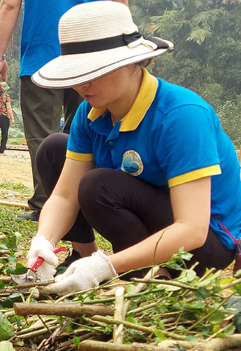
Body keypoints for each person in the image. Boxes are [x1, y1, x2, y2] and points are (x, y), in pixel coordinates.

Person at [22, 2, 241, 296]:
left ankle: (155, 277)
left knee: (98, 185)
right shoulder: (91, 114)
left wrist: (106, 266)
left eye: (94, 72)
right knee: (53, 150)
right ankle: (82, 257)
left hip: (202, 245)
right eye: (76, 73)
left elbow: (192, 228)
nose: (82, 84)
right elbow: (63, 195)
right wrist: (44, 240)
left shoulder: (181, 116)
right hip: (153, 218)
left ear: (131, 62)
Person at [0, 0, 128, 222]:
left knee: (41, 134)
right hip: (93, 57)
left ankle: (47, 203)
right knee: (91, 128)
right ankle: (86, 201)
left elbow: (9, 4)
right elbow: (119, 4)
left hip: (42, 55)